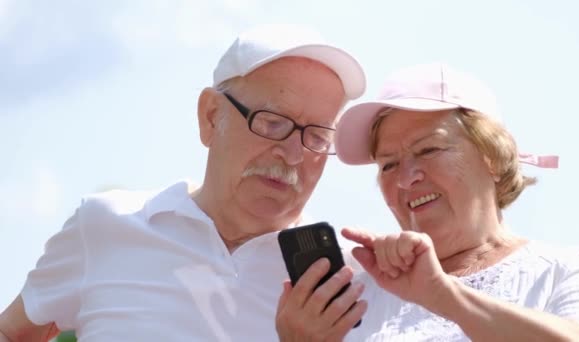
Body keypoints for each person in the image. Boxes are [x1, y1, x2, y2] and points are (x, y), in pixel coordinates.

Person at [0, 24, 367, 341]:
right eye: (272, 122)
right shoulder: (105, 225)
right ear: (210, 117)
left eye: (317, 136)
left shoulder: (351, 283)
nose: (293, 153)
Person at [276, 63, 579, 341]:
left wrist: (443, 295)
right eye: (388, 164)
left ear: (493, 157)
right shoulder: (348, 304)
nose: (405, 179)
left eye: (428, 150)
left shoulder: (574, 268)